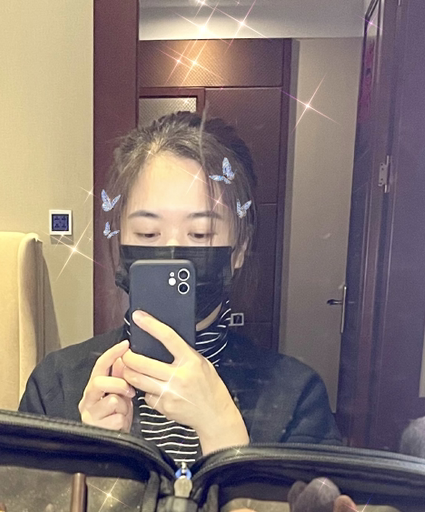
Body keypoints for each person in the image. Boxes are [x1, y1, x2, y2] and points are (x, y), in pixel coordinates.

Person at [18, 111, 340, 469]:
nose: (172, 251)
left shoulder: (297, 399)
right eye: (147, 234)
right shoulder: (57, 386)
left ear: (240, 248)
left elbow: (309, 505)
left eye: (199, 234)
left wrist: (224, 434)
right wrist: (92, 458)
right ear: (121, 243)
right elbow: (25, 503)